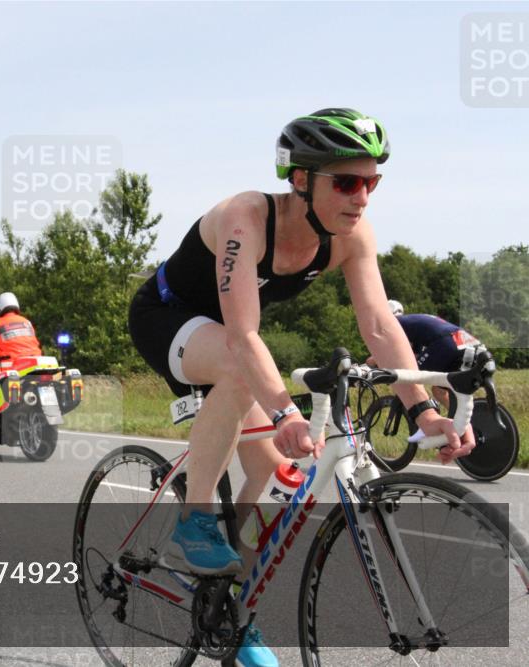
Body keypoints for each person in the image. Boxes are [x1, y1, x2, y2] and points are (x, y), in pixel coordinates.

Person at [128, 108, 474, 667]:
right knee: (244, 374)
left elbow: (381, 327)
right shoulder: (247, 218)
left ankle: (224, 605)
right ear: (299, 179)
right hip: (168, 318)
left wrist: (426, 413)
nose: (361, 197)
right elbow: (242, 336)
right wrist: (286, 410)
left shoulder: (352, 236)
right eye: (346, 181)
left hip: (225, 339)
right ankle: (192, 524)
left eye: (371, 182)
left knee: (266, 473)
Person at [369, 301, 487, 439]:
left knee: (411, 378)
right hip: (466, 342)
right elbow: (413, 355)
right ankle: (461, 423)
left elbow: (389, 353)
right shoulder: (412, 322)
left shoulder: (396, 324)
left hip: (446, 343)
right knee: (439, 391)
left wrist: (369, 363)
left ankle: (426, 419)